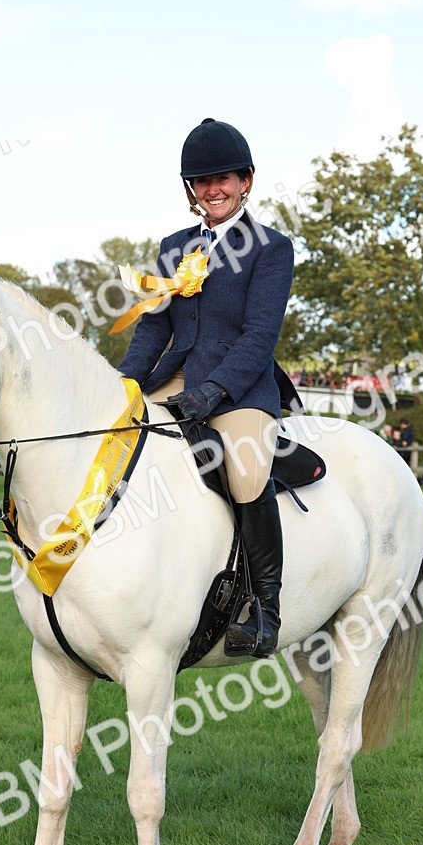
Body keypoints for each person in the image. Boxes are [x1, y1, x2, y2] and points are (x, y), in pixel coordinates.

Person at [117, 117, 295, 657]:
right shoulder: (174, 246)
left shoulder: (270, 247)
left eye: (223, 179)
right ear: (190, 190)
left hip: (239, 387)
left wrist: (213, 392)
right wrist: (123, 384)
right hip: (176, 374)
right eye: (201, 181)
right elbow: (153, 325)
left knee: (244, 470)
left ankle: (266, 609)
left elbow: (260, 336)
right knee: (117, 440)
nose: (212, 189)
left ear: (245, 181)